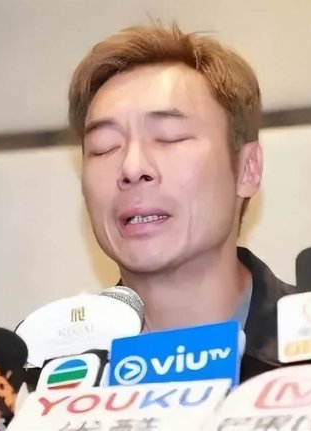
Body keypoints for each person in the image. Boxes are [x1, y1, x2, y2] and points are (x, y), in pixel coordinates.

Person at [67, 23, 293, 380]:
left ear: (247, 169)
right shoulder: (42, 379)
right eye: (104, 147)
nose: (132, 168)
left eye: (169, 138)